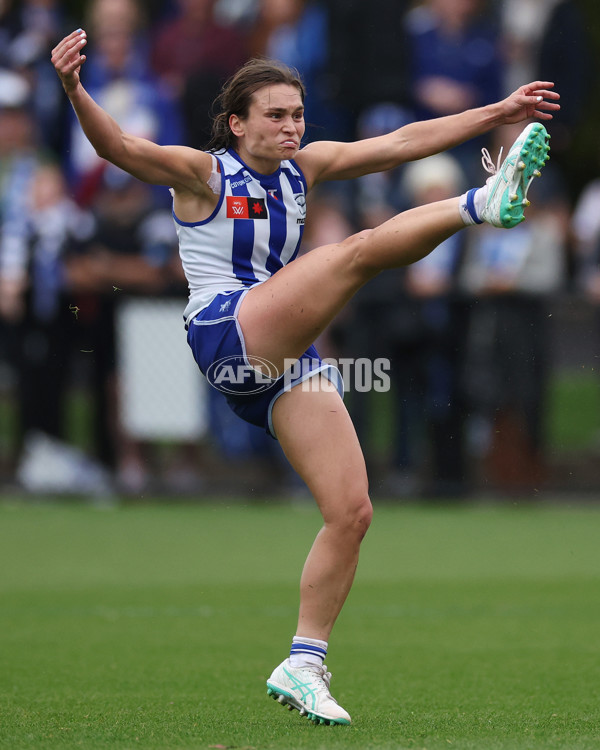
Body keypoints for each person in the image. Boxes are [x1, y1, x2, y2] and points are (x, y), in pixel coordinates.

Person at [51, 27, 559, 725]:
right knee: (352, 253)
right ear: (237, 123)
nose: (293, 126)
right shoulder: (203, 172)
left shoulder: (307, 167)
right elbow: (118, 149)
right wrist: (75, 90)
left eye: (297, 114)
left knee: (352, 512)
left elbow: (401, 143)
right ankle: (480, 203)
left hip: (286, 352)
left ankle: (304, 662)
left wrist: (497, 111)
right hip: (227, 332)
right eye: (276, 115)